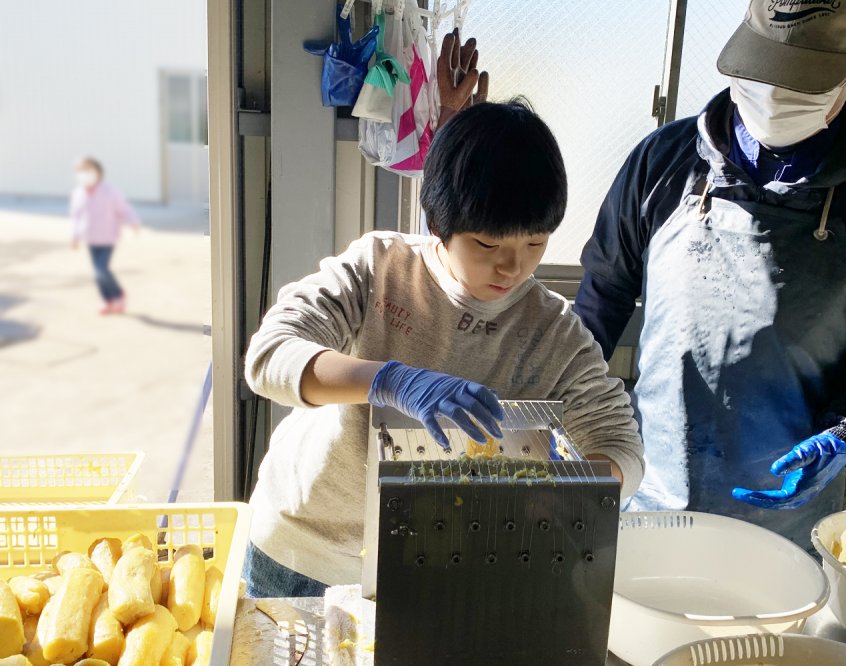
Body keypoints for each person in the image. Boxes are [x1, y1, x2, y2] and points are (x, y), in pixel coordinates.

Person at [574, 0, 846, 550]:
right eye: (760, 68)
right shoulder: (664, 162)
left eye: (802, 81)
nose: (772, 93)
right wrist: (564, 416)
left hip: (783, 520)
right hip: (646, 493)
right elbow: (600, 299)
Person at [242, 99, 644, 597]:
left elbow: (621, 445)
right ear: (439, 225)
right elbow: (269, 356)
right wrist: (388, 381)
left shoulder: (554, 333)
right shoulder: (381, 268)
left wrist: (564, 491)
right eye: (487, 245)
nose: (513, 269)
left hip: (431, 563)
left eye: (535, 244)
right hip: (302, 542)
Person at [69, 157, 140, 315]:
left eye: (88, 169)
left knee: (100, 270)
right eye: (81, 171)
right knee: (97, 273)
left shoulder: (110, 191)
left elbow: (123, 209)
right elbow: (76, 216)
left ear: (98, 171)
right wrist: (74, 236)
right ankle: (107, 300)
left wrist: (133, 221)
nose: (84, 174)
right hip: (91, 238)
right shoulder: (78, 193)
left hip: (108, 237)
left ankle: (118, 294)